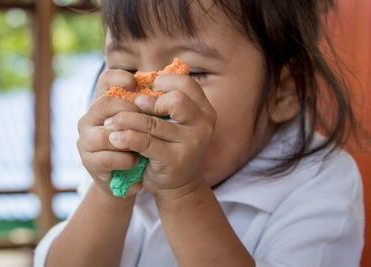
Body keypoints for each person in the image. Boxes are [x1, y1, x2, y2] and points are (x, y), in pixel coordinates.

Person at [34, 0, 365, 266]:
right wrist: (110, 194)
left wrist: (183, 193)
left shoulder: (319, 180)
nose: (148, 96)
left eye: (192, 72)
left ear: (283, 89)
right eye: (126, 68)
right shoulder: (122, 163)